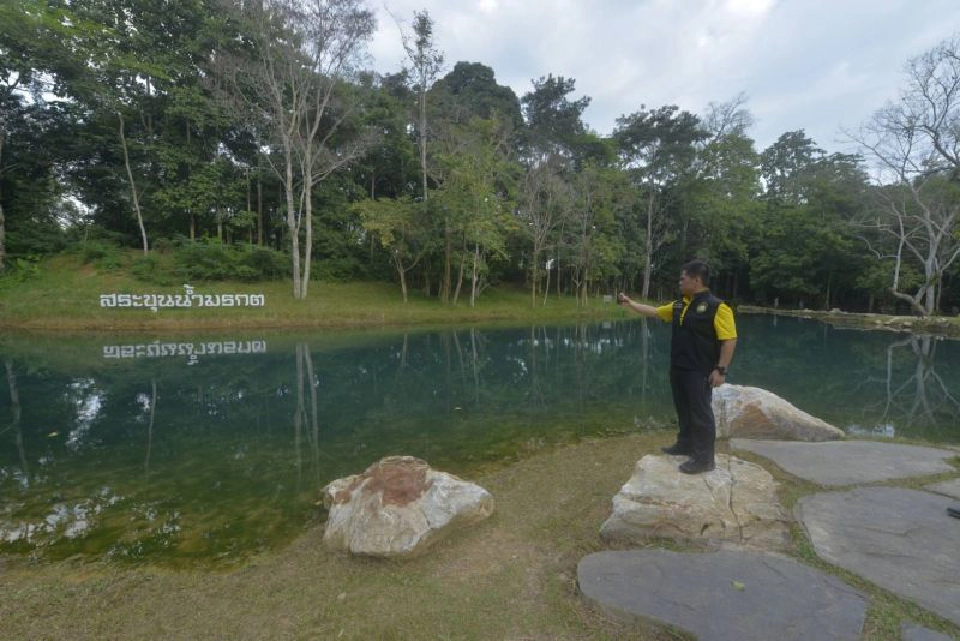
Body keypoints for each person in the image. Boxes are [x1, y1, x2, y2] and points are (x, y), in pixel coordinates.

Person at [618, 261, 738, 474]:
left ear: (696, 280)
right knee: (683, 409)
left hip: (699, 370)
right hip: (679, 367)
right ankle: (685, 444)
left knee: (701, 413)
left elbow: (729, 339)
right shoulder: (679, 305)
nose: (680, 282)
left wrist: (720, 370)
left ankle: (704, 459)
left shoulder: (717, 306)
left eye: (683, 278)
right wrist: (630, 303)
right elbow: (654, 312)